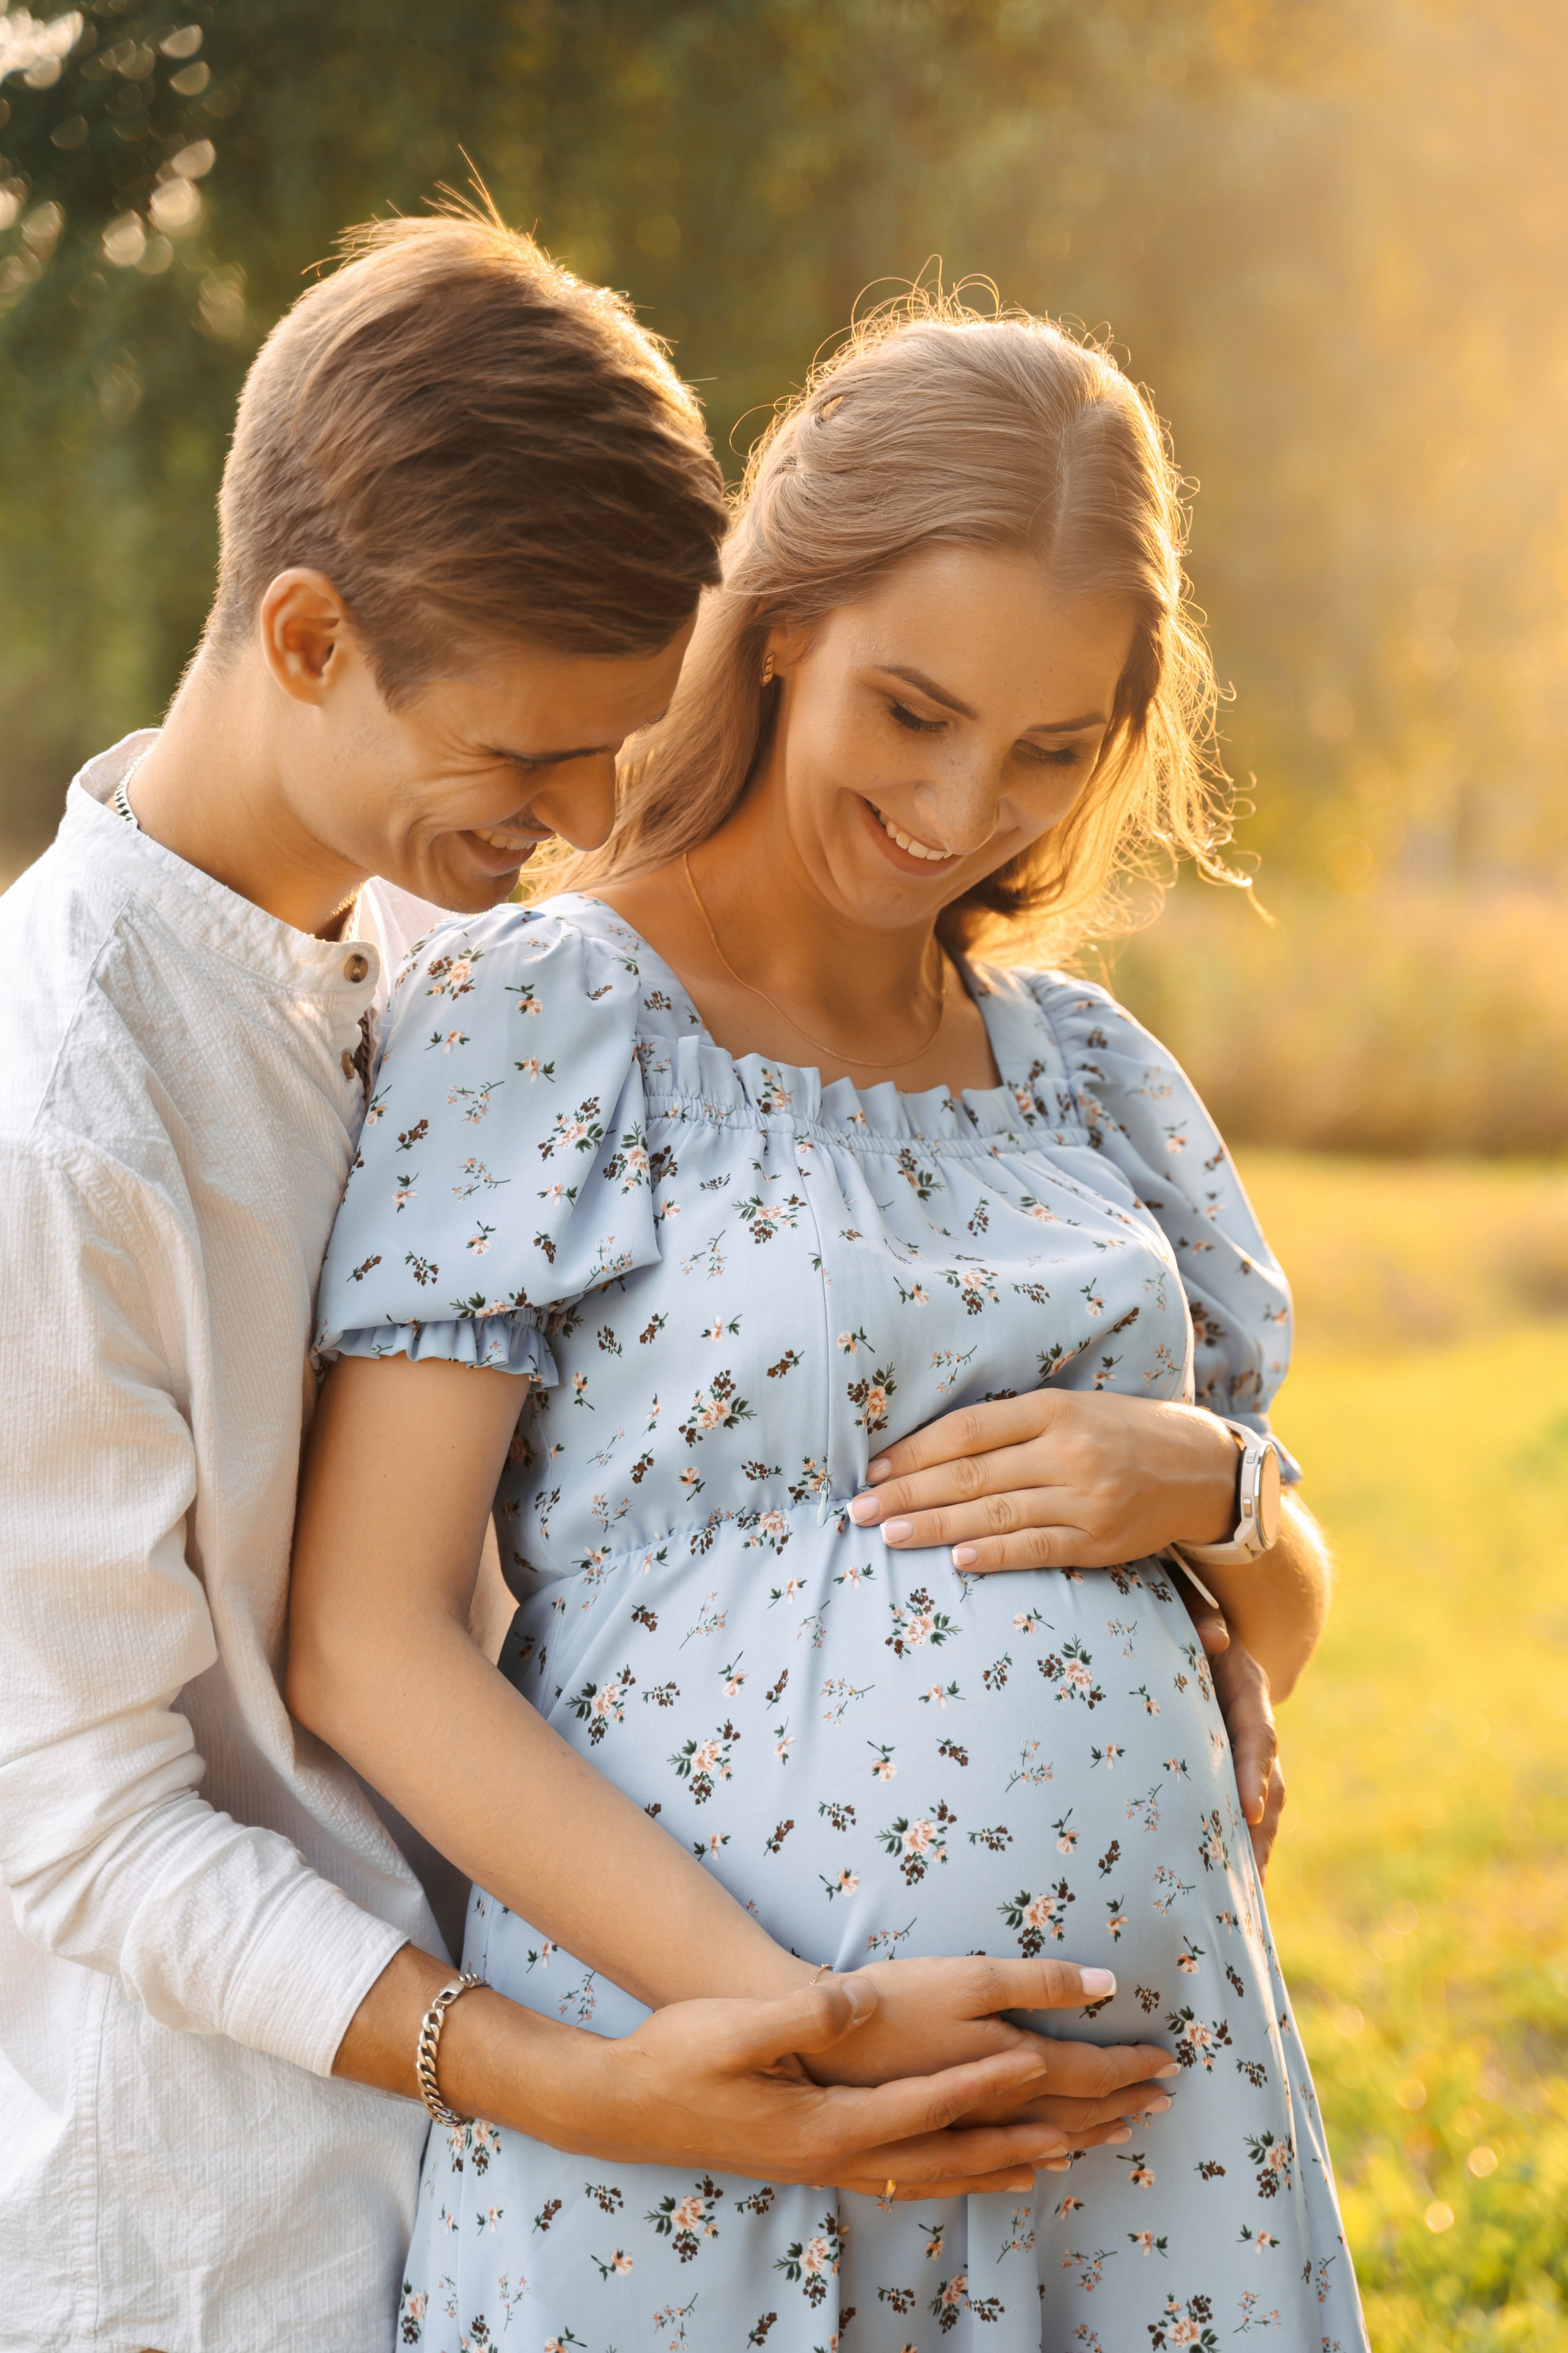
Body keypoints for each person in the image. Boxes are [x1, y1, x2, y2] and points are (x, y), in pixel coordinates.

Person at [0, 217, 1177, 2353]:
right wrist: (616, 2075)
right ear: (303, 635)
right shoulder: (59, 1112)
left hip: (523, 2174)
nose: (572, 828)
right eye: (528, 765)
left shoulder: (422, 956)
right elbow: (74, 1823)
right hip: (217, 2230)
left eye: (608, 754)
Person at [291, 295, 1366, 2350]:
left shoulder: (1091, 1076)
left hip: (1140, 2157)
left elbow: (1270, 1628)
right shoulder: (552, 1014)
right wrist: (804, 2025)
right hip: (716, 2116)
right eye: (914, 710)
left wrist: (1217, 1488)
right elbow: (366, 1631)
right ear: (773, 623)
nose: (966, 808)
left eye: (1056, 748)